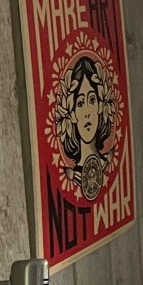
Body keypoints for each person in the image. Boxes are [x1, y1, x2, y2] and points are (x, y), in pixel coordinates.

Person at [55, 54, 117, 201]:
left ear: (100, 106)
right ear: (73, 113)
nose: (87, 113)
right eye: (81, 103)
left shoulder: (106, 160)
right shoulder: (72, 173)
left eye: (92, 100)